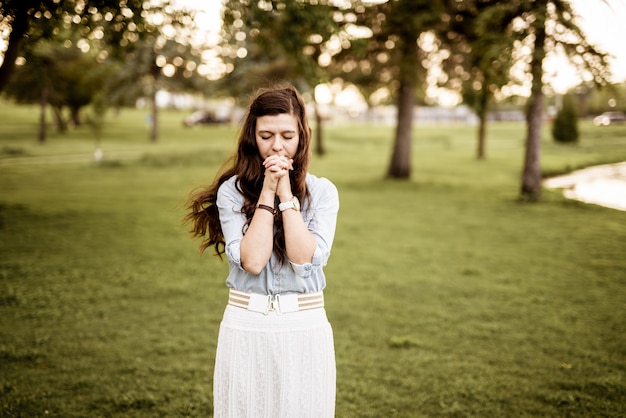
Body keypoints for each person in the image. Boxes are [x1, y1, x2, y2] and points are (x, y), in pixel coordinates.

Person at [184, 85, 339, 417]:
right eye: (266, 135)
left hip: (305, 326)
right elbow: (253, 261)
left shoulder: (323, 192)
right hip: (246, 325)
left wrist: (287, 195)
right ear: (253, 137)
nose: (277, 145)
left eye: (287, 135)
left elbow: (303, 258)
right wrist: (268, 191)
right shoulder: (232, 192)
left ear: (302, 137)